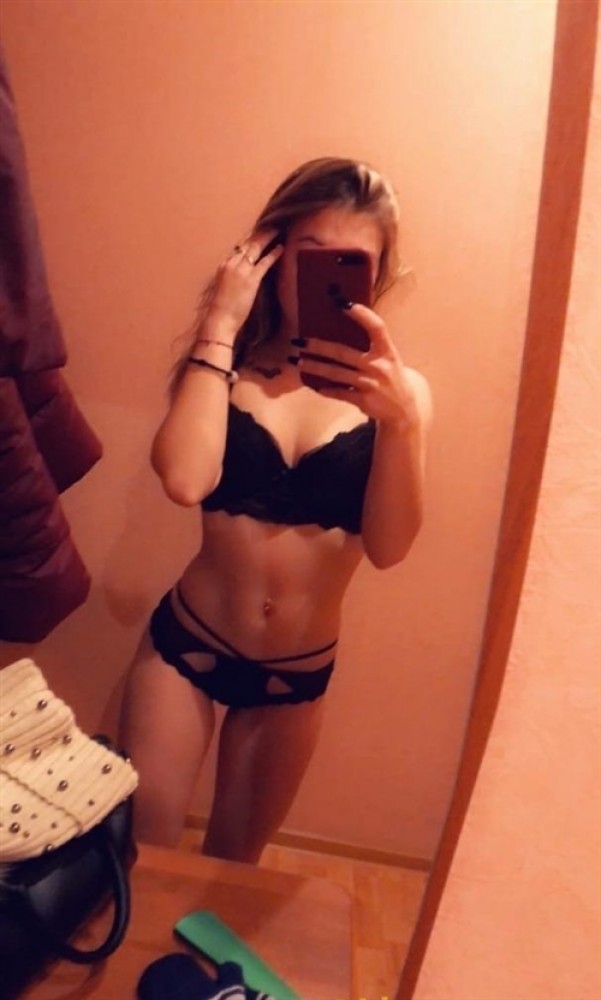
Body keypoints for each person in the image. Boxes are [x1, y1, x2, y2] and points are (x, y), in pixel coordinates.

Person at [118, 157, 432, 862]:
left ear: (379, 274)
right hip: (186, 646)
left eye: (351, 262)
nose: (325, 279)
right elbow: (184, 480)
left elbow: (389, 548)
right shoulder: (223, 365)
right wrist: (220, 321)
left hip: (295, 676)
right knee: (144, 851)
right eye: (309, 254)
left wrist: (401, 423)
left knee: (234, 865)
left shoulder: (403, 395)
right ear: (272, 253)